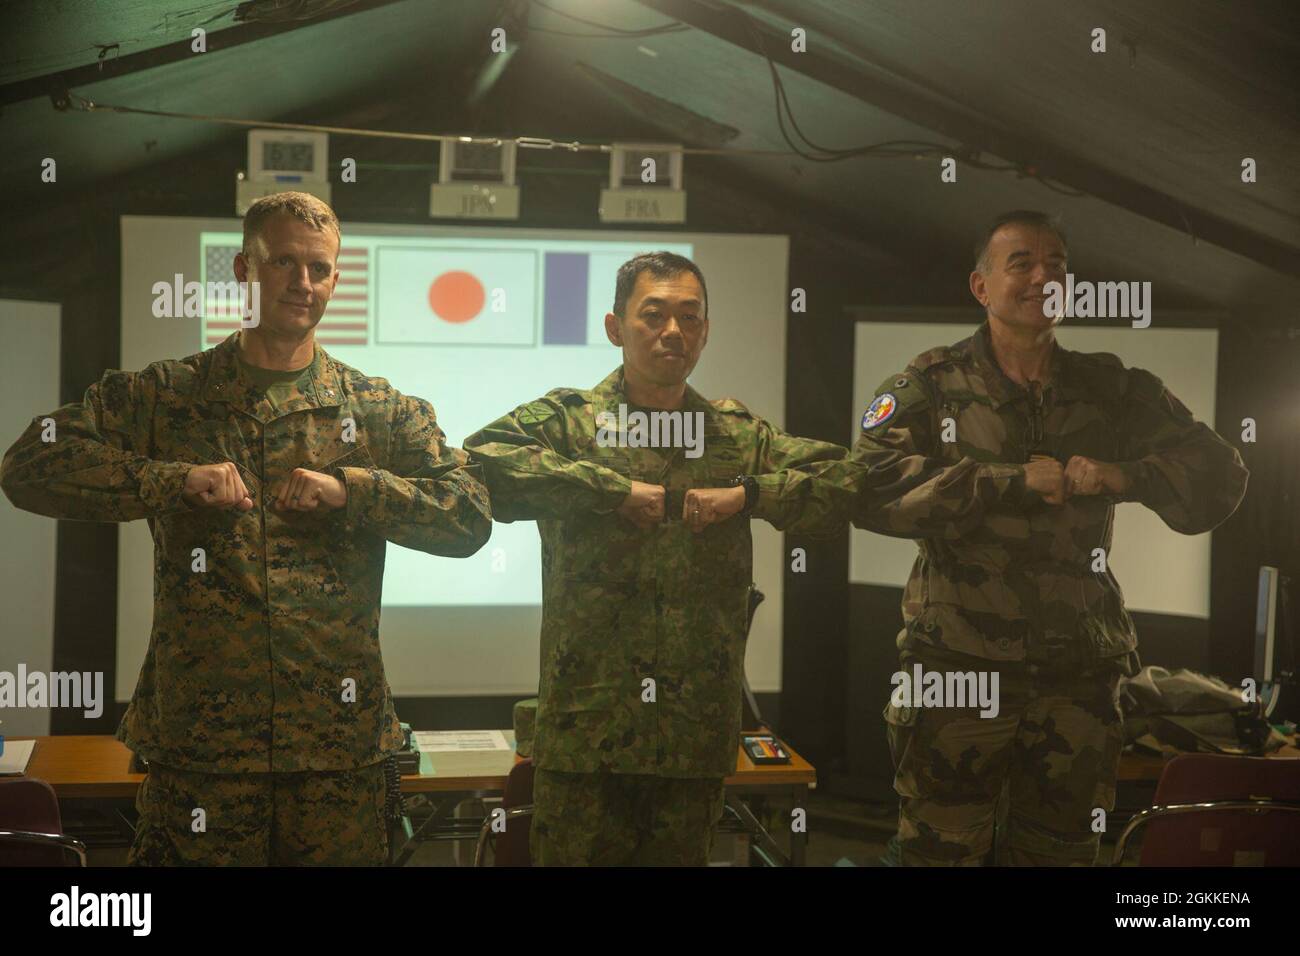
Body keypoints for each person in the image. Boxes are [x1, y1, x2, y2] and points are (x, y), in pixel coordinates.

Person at [0, 191, 492, 865]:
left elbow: (469, 515)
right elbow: (29, 465)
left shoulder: (378, 410)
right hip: (203, 753)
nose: (303, 283)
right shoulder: (165, 395)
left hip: (335, 757)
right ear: (242, 269)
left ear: (337, 280)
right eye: (284, 262)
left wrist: (355, 489)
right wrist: (171, 481)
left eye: (320, 269)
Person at [846, 210, 1248, 865]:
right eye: (1022, 263)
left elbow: (1220, 474)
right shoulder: (930, 383)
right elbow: (864, 485)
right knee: (942, 852)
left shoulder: (1111, 387)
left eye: (1057, 264)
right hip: (959, 671)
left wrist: (1127, 474)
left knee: (1061, 854)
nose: (1043, 276)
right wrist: (1008, 484)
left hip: (1079, 678)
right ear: (982, 287)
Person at [464, 251, 846, 865]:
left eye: (689, 317)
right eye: (654, 315)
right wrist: (608, 490)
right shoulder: (570, 422)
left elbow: (843, 481)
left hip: (691, 737)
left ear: (705, 331)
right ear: (616, 327)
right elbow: (480, 461)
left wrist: (749, 494)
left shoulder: (735, 435)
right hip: (587, 734)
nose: (674, 331)